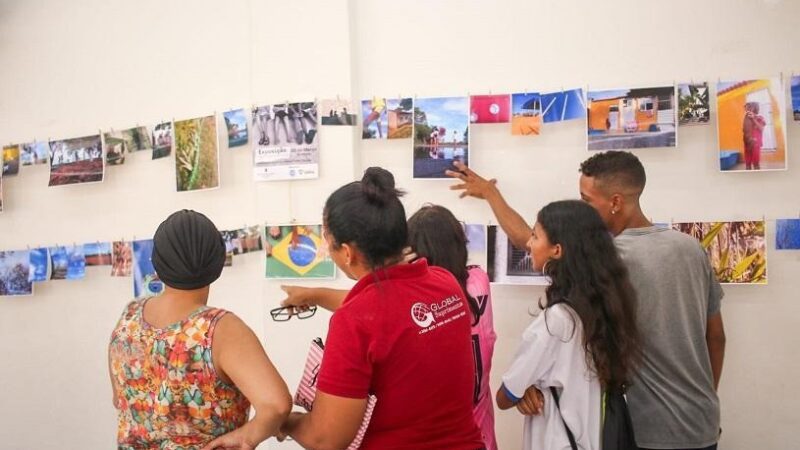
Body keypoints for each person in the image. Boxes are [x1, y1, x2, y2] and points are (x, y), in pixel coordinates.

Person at [447, 151, 726, 450]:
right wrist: (702, 398)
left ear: (616, 202)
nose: (582, 207)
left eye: (587, 200)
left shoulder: (607, 261)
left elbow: (528, 240)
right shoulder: (691, 248)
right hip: (702, 421)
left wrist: (491, 194)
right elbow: (716, 336)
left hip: (645, 429)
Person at [270, 167, 484, 449]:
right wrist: (315, 295)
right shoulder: (445, 284)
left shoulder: (355, 321)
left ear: (348, 253)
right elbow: (391, 314)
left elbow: (326, 438)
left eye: (328, 243)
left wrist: (285, 421)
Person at [109, 210, 291, 449]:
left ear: (157, 262)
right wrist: (248, 436)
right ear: (217, 262)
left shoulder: (129, 318)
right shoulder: (219, 329)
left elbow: (119, 399)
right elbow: (276, 405)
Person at [496, 200, 641, 450]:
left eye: (535, 236)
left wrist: (524, 389)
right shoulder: (607, 309)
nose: (529, 244)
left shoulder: (556, 322)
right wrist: (529, 386)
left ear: (557, 250)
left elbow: (505, 396)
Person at [743, 101, 766, 170]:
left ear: (755, 108)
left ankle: (757, 178)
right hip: (747, 143)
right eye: (746, 108)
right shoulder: (746, 117)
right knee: (747, 164)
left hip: (756, 143)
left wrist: (753, 118)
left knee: (756, 164)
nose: (746, 109)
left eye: (749, 107)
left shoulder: (760, 118)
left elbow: (761, 129)